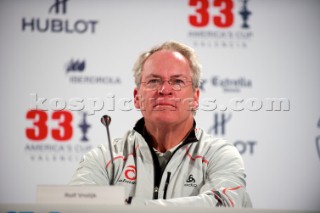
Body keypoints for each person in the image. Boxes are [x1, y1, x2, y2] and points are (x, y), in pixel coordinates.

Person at [70, 41, 252, 207]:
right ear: (137, 98)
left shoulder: (220, 156)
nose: (165, 90)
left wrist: (131, 207)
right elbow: (74, 206)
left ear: (195, 98)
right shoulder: (104, 158)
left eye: (178, 82)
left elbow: (225, 206)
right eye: (153, 81)